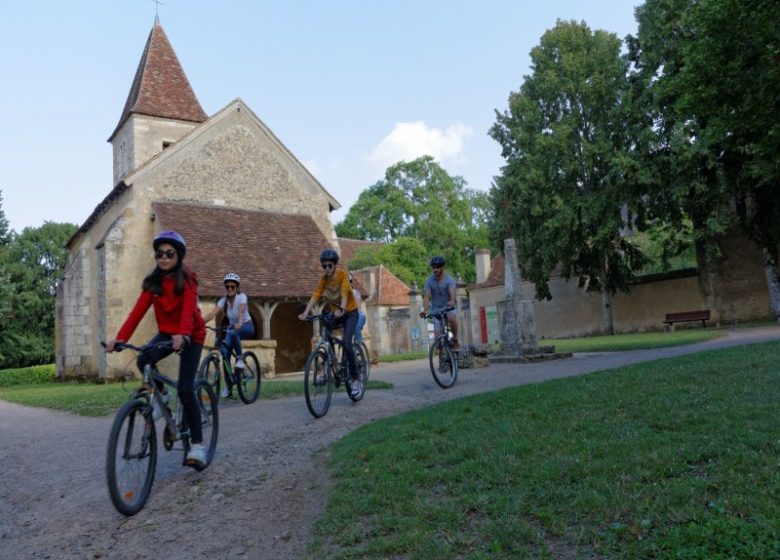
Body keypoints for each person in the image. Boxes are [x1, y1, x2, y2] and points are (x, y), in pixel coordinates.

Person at [104, 230, 208, 468]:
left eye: (169, 253)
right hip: (167, 332)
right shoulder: (153, 283)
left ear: (178, 256)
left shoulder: (188, 278)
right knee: (143, 359)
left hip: (191, 332)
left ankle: (198, 445)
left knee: (185, 388)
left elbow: (187, 310)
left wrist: (183, 334)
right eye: (159, 254)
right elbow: (137, 313)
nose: (163, 258)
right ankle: (161, 393)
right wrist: (118, 339)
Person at [298, 248, 362, 397]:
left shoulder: (342, 275)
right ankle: (332, 361)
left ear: (334, 265)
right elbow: (316, 294)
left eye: (329, 266)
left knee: (346, 343)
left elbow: (345, 291)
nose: (326, 269)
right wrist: (306, 312)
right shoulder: (323, 280)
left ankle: (355, 378)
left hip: (350, 312)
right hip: (336, 312)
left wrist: (343, 308)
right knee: (325, 325)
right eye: (324, 266)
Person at [202, 272, 255, 399]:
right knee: (224, 352)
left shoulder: (242, 297)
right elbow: (212, 314)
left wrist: (240, 321)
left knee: (232, 331)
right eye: (228, 287)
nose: (230, 289)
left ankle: (240, 359)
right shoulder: (223, 300)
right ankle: (229, 385)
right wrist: (198, 323)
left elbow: (241, 310)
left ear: (237, 287)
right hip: (233, 330)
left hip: (247, 326)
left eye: (233, 286)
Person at [419, 255, 460, 351]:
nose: (435, 269)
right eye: (433, 267)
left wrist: (452, 301)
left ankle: (455, 339)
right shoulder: (429, 281)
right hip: (436, 311)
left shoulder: (449, 280)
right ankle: (443, 363)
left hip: (448, 308)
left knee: (452, 318)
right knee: (438, 341)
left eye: (437, 267)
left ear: (442, 268)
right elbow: (426, 297)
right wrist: (424, 311)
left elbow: (452, 293)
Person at [349, 273, 367, 344]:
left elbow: (358, 309)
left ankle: (359, 343)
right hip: (351, 317)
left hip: (360, 316)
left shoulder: (355, 293)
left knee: (356, 327)